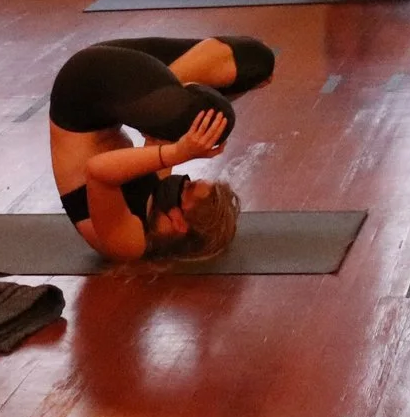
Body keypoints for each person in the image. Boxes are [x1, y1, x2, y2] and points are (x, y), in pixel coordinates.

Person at [48, 35, 275, 263]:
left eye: (189, 187)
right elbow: (161, 134)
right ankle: (180, 82)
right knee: (257, 61)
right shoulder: (158, 203)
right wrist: (241, 86)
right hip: (110, 82)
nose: (183, 180)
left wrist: (178, 153)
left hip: (84, 88)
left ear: (179, 222)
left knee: (218, 119)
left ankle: (184, 83)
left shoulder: (130, 244)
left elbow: (97, 171)